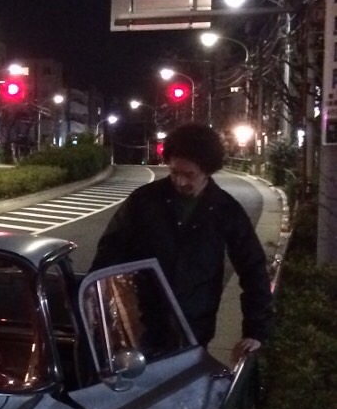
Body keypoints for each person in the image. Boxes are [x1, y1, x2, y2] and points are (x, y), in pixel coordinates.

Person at [91, 122, 272, 364]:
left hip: (194, 325)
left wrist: (255, 331)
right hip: (143, 320)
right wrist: (94, 296)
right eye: (175, 172)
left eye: (189, 175)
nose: (180, 181)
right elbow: (110, 250)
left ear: (208, 171)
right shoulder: (145, 200)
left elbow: (253, 268)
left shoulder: (225, 209)